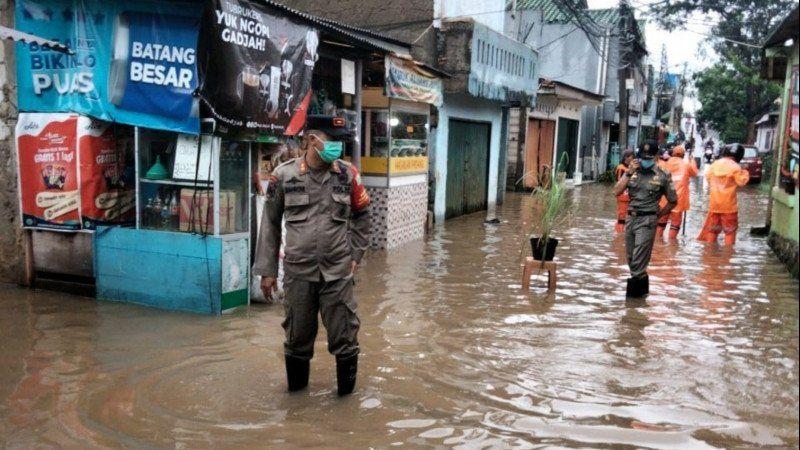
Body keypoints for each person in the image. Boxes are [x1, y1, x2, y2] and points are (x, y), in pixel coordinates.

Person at [253, 116, 371, 396]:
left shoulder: (347, 175)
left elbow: (363, 215)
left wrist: (356, 254)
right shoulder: (283, 176)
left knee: (346, 338)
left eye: (340, 142)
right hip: (298, 273)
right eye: (332, 141)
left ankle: (345, 407)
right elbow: (270, 223)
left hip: (338, 273)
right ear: (310, 140)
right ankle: (296, 406)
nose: (337, 147)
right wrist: (268, 271)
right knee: (297, 339)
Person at [612, 140, 677, 297]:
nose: (645, 161)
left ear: (655, 157)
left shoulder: (662, 174)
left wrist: (658, 215)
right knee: (631, 259)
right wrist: (628, 173)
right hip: (631, 218)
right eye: (642, 157)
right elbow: (616, 191)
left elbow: (673, 200)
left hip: (648, 220)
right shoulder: (631, 171)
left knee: (638, 261)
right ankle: (642, 295)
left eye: (648, 158)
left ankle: (633, 303)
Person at [697, 144, 749, 245]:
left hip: (714, 205)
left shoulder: (714, 165)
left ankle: (710, 252)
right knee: (730, 231)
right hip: (729, 206)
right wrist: (745, 171)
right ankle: (727, 253)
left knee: (712, 230)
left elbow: (708, 178)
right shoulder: (736, 167)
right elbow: (742, 182)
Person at [663, 143, 699, 239]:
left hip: (664, 198)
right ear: (683, 155)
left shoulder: (665, 163)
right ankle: (671, 244)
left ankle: (658, 242)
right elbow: (695, 172)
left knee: (660, 223)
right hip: (678, 199)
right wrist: (692, 160)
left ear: (673, 153)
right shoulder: (686, 164)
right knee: (675, 224)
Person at [614, 150, 634, 233]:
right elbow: (620, 182)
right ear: (626, 157)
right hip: (623, 196)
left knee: (629, 217)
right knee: (622, 219)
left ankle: (624, 233)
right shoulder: (621, 168)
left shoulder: (631, 168)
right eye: (632, 157)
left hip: (630, 196)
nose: (633, 159)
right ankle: (619, 235)